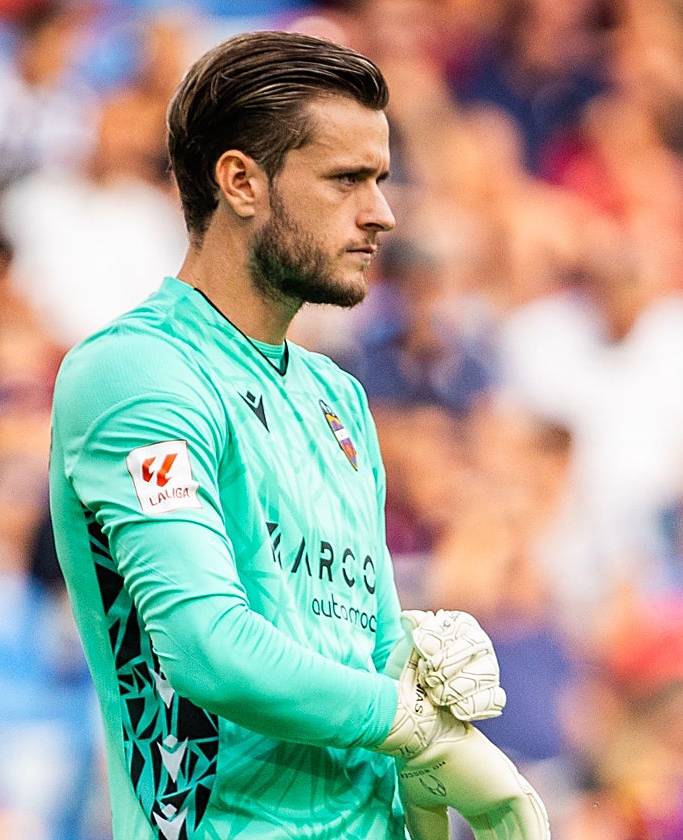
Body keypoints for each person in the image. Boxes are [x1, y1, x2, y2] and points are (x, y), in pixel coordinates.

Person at [47, 30, 548, 840]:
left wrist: (420, 676)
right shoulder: (138, 372)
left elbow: (366, 650)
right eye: (347, 179)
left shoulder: (337, 398)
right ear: (241, 181)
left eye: (380, 180)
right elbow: (207, 648)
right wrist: (411, 722)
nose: (381, 213)